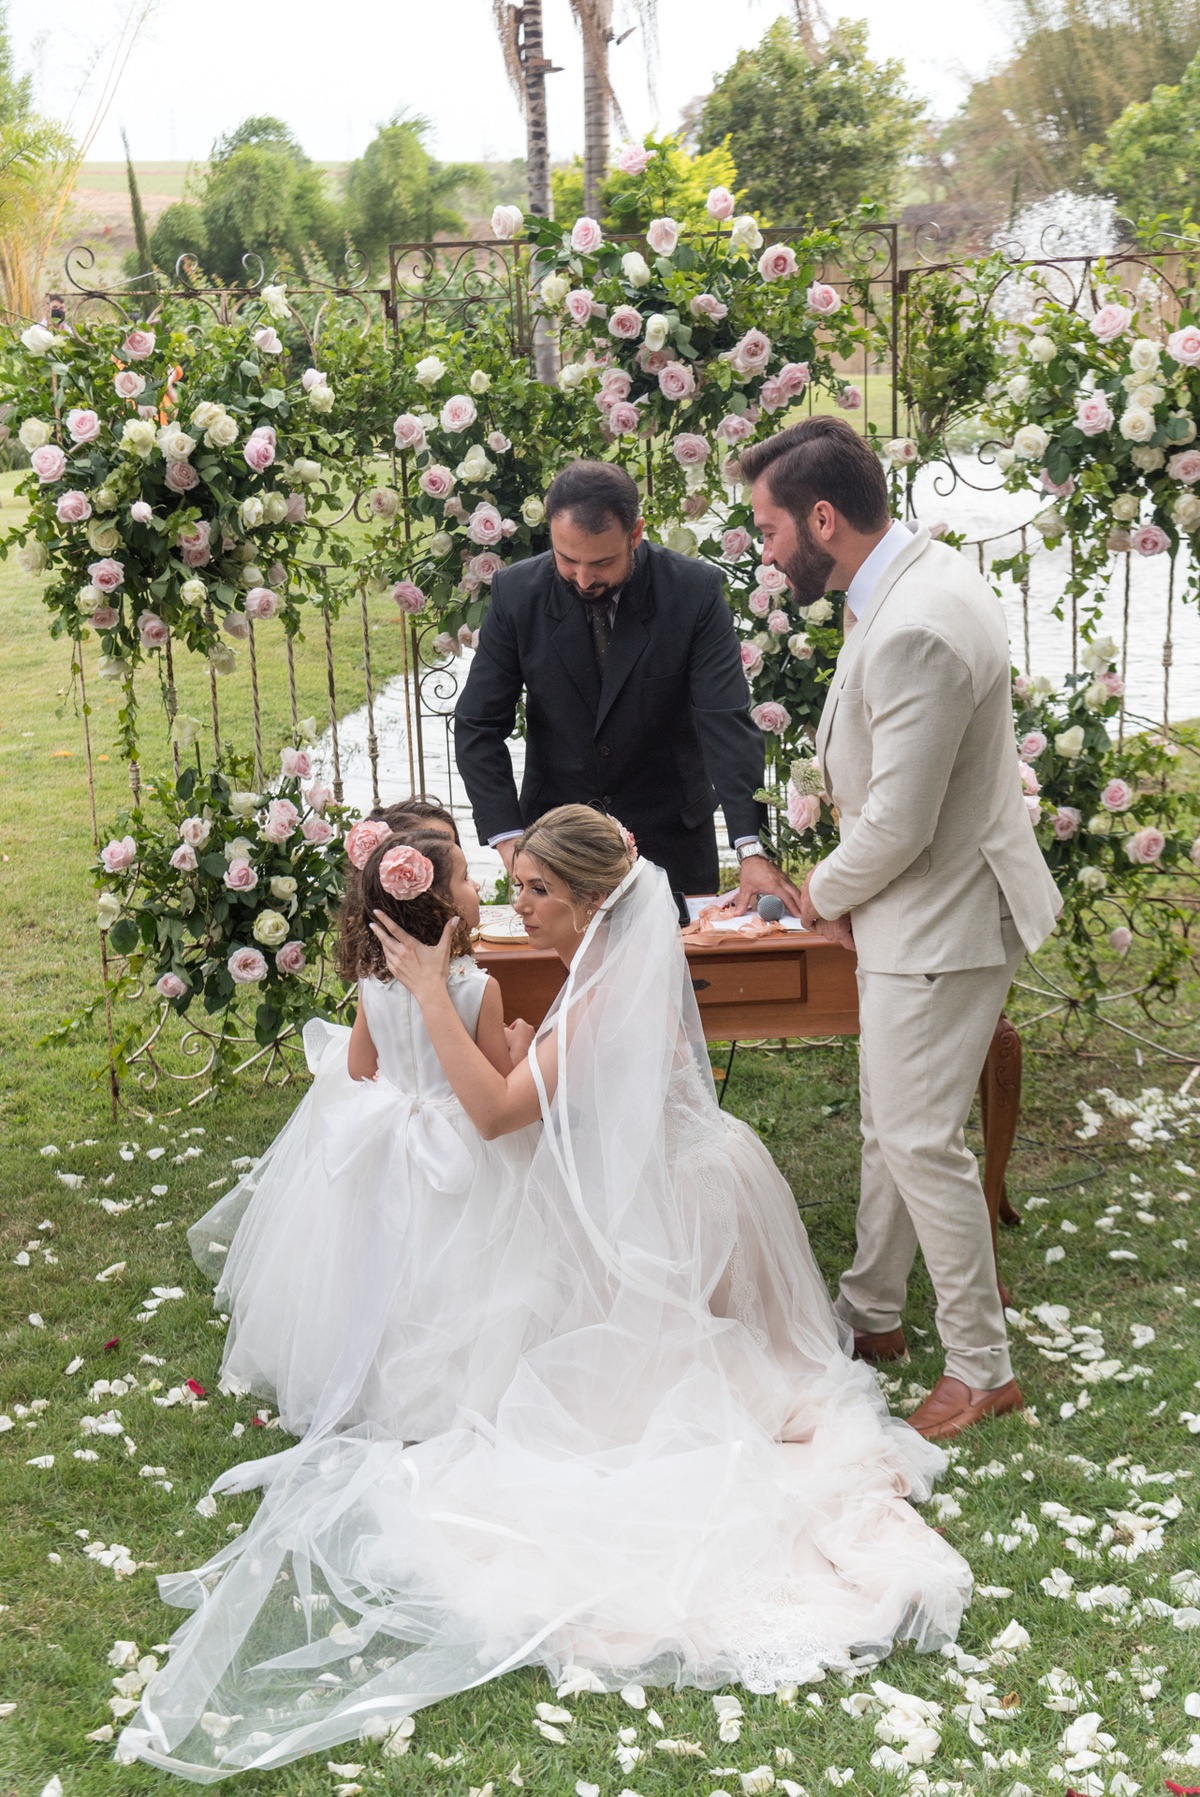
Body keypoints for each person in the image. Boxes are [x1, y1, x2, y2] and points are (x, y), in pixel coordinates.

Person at [122, 806, 968, 1782]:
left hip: (683, 1208)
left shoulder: (603, 992)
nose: (519, 906)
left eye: (536, 891)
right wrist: (517, 1047)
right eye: (512, 885)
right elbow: (553, 1096)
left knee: (589, 1416)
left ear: (594, 902)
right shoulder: (606, 968)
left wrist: (435, 993)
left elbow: (492, 1115)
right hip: (680, 1180)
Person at [737, 417, 1061, 1442]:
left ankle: (981, 1368)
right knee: (892, 1123)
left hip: (943, 920)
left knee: (920, 1141)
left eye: (770, 527)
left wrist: (819, 895)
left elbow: (901, 822)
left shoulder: (917, 618)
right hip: (924, 911)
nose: (766, 549)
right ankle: (873, 1313)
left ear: (822, 518)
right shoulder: (907, 578)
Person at [186, 826, 538, 1440]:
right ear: (441, 907)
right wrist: (518, 1046)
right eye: (463, 878)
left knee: (382, 1256)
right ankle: (452, 1378)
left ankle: (371, 1375)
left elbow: (357, 1067)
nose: (476, 886)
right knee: (457, 1260)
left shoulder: (372, 985)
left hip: (389, 1135)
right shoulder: (479, 988)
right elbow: (496, 1082)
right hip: (458, 1137)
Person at [453, 458, 801, 916]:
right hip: (555, 846)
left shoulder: (692, 591)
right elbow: (478, 723)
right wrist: (510, 841)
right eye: (566, 559)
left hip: (672, 841)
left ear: (635, 535)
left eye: (601, 562)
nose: (582, 578)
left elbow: (725, 722)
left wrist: (750, 847)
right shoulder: (518, 593)